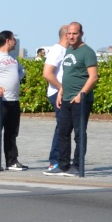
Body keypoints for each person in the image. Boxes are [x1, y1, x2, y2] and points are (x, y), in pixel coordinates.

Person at [46, 22, 99, 176]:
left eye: (74, 33)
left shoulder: (87, 52)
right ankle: (63, 165)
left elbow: (93, 77)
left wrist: (81, 95)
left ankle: (77, 166)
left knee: (79, 134)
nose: (71, 36)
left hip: (80, 101)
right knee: (63, 132)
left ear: (81, 34)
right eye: (69, 33)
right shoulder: (68, 51)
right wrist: (61, 91)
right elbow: (67, 75)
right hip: (66, 98)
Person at [0, 30, 27, 171]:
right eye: (13, 39)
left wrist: (14, 81)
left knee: (12, 132)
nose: (15, 42)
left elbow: (22, 71)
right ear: (8, 40)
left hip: (13, 99)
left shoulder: (13, 59)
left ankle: (11, 161)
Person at [40, 25, 69, 172]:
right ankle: (55, 160)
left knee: (65, 127)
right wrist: (61, 88)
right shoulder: (57, 50)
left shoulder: (67, 51)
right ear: (65, 35)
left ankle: (62, 159)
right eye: (70, 34)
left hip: (66, 93)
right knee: (62, 127)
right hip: (57, 93)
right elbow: (47, 73)